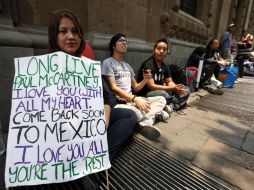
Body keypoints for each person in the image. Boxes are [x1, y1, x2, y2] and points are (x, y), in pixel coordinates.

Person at [48, 10, 137, 161]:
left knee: (128, 116)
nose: (71, 36)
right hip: (65, 127)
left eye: (75, 32)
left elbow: (106, 98)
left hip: (93, 120)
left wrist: (104, 120)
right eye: (63, 31)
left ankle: (99, 160)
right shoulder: (42, 68)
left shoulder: (88, 65)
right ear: (54, 36)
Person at [101, 33, 168, 140]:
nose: (124, 43)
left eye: (126, 42)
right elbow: (113, 87)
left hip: (132, 101)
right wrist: (134, 99)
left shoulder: (127, 66)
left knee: (161, 99)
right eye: (121, 41)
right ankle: (153, 115)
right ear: (113, 46)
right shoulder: (108, 63)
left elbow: (136, 87)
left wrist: (145, 80)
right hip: (120, 103)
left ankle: (145, 122)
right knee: (137, 113)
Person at [138, 38, 190, 112]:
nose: (161, 51)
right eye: (158, 48)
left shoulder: (165, 66)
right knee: (164, 94)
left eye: (164, 49)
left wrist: (176, 87)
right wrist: (172, 88)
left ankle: (170, 107)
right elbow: (151, 87)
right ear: (153, 51)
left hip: (163, 90)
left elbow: (169, 81)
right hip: (147, 93)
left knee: (186, 90)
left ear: (167, 52)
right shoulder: (148, 65)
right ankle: (176, 104)